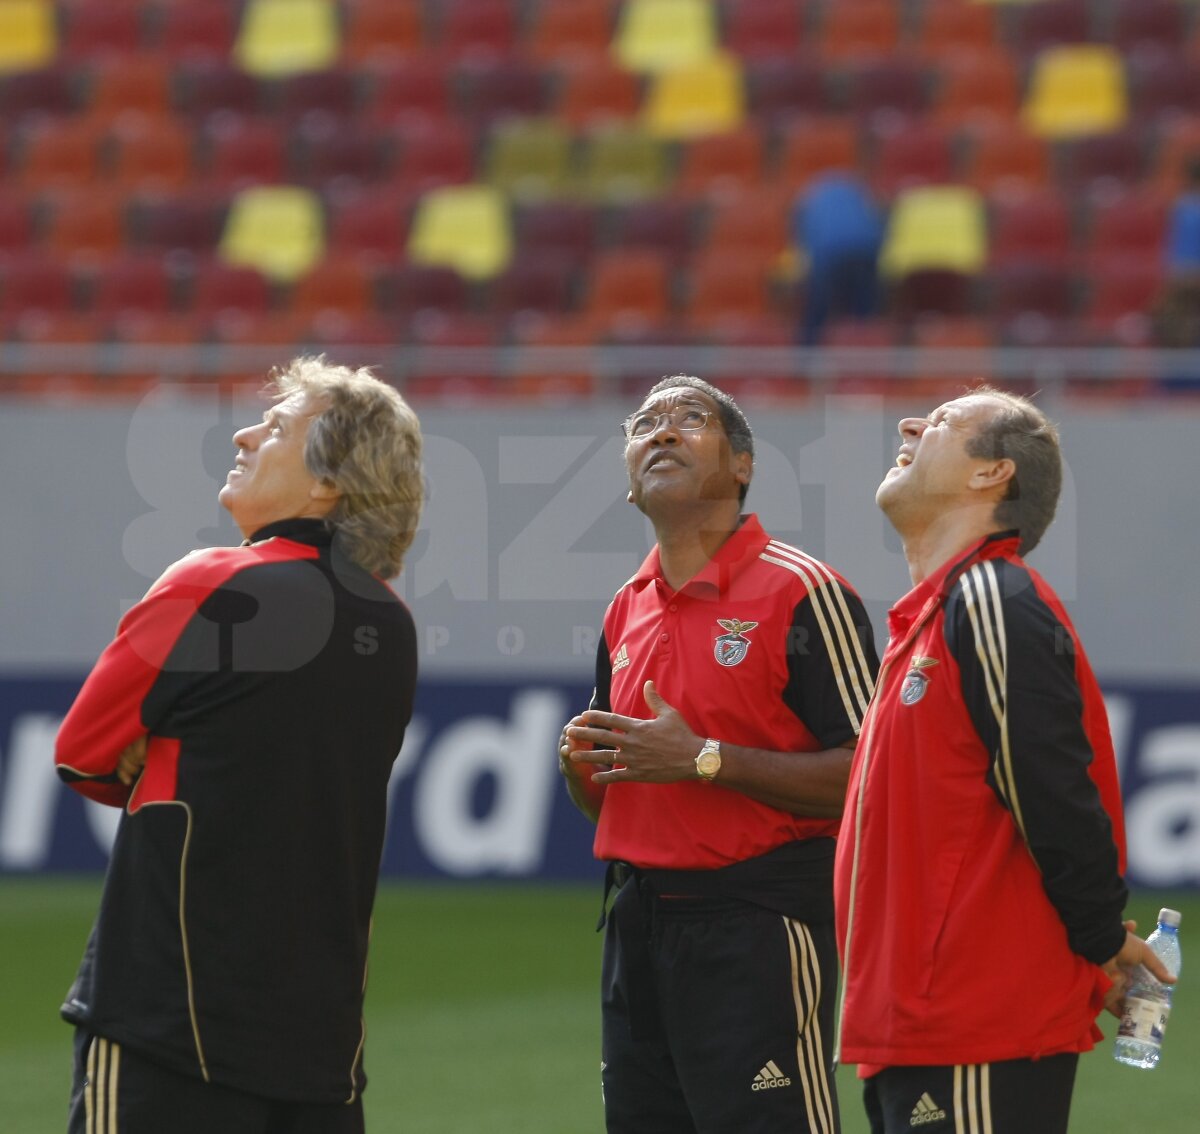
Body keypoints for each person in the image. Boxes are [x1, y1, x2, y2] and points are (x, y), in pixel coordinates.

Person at [54, 356, 424, 1134]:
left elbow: (84, 753)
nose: (247, 432)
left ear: (328, 483)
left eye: (280, 426)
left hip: (170, 1023)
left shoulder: (212, 583)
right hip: (321, 1048)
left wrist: (157, 753)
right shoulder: (392, 627)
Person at [833, 387, 1175, 1134]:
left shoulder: (990, 595)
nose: (911, 423)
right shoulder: (933, 615)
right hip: (920, 1026)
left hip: (973, 1022)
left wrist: (1099, 937)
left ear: (993, 475)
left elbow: (1052, 788)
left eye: (946, 421)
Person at [559, 375, 879, 1134]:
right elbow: (617, 795)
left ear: (742, 465)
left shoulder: (803, 592)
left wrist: (705, 758)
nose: (661, 433)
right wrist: (582, 771)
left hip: (757, 929)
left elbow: (873, 778)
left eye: (689, 419)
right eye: (645, 424)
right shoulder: (624, 606)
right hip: (638, 929)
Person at [792, 172, 886, 345]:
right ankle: (862, 349)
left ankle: (807, 354)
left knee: (818, 309)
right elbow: (877, 224)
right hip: (865, 248)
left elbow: (808, 243)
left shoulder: (809, 201)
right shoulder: (857, 193)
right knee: (864, 309)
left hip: (831, 252)